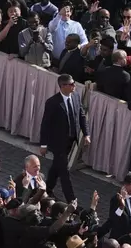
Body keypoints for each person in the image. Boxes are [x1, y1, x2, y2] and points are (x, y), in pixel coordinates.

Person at [39, 73, 90, 202]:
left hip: (70, 140)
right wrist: (43, 145)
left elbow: (81, 116)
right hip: (57, 142)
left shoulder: (76, 97)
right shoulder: (53, 102)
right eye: (71, 84)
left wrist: (86, 134)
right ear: (63, 86)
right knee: (64, 171)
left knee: (56, 166)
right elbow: (46, 124)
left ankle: (47, 189)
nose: (74, 86)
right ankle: (71, 200)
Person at [109, 173, 131, 244]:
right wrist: (122, 204)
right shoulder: (116, 199)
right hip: (120, 238)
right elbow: (113, 218)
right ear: (125, 185)